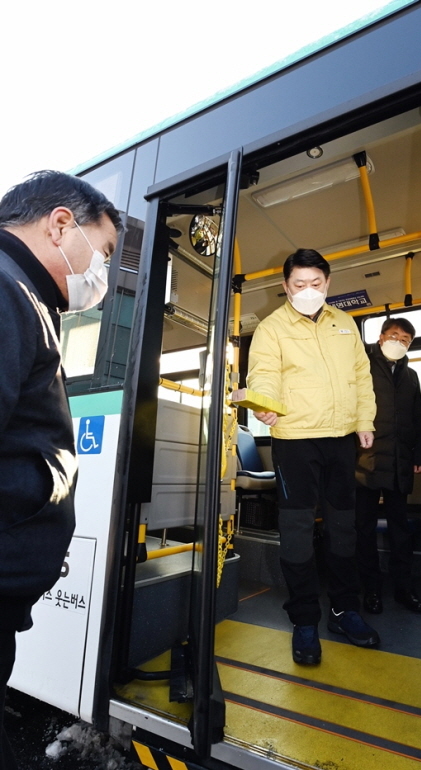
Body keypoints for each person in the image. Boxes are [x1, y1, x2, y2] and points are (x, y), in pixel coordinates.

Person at [0, 170, 122, 768]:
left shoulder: (24, 297)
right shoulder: (6, 291)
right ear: (60, 224)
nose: (100, 272)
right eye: (102, 252)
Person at [247, 248, 379, 665]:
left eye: (316, 284)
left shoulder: (345, 323)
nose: (308, 291)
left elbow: (361, 375)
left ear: (328, 284)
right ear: (285, 286)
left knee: (345, 527)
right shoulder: (271, 329)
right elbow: (263, 373)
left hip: (341, 437)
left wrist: (365, 419)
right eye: (299, 285)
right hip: (295, 438)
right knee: (298, 530)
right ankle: (305, 620)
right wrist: (263, 403)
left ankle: (344, 610)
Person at [356, 317, 421, 615]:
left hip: (399, 461)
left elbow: (417, 418)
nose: (400, 342)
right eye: (395, 335)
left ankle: (403, 588)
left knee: (400, 530)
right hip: (364, 461)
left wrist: (420, 454)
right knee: (364, 529)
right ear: (382, 336)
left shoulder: (410, 376)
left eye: (406, 339)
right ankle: (371, 590)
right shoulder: (361, 365)